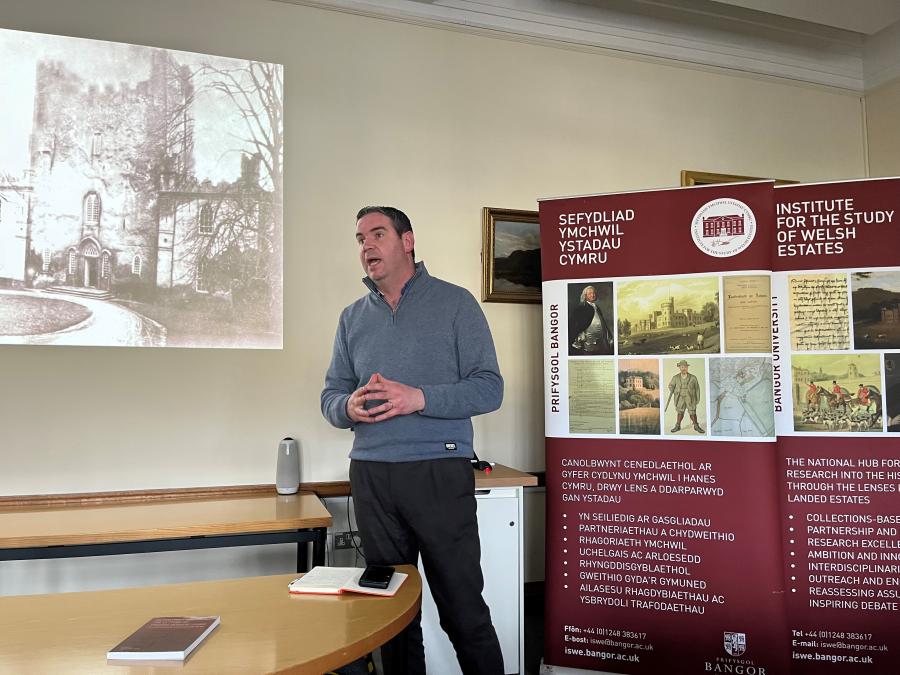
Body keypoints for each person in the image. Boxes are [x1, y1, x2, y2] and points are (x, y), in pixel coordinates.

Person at [321, 206, 505, 675]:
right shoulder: (351, 318)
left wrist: (417, 397)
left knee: (463, 611)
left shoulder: (456, 303)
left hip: (438, 473)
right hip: (372, 477)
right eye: (360, 238)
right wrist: (348, 408)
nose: (366, 247)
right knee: (392, 616)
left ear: (408, 241)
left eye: (377, 234)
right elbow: (331, 395)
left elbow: (490, 388)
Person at [569, 284, 613, 355]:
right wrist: (580, 333)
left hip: (600, 340)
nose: (592, 295)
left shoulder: (596, 307)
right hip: (588, 340)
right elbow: (576, 324)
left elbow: (602, 322)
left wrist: (608, 334)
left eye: (593, 293)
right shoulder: (581, 307)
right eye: (590, 294)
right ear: (585, 296)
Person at [668, 359, 704, 433]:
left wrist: (697, 399)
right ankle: (677, 426)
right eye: (682, 367)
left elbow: (697, 388)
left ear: (687, 368)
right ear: (679, 368)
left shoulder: (693, 378)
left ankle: (696, 426)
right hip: (680, 397)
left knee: (692, 412)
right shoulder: (675, 378)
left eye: (685, 367)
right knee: (680, 411)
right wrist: (672, 388)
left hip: (690, 397)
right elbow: (671, 385)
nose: (684, 368)